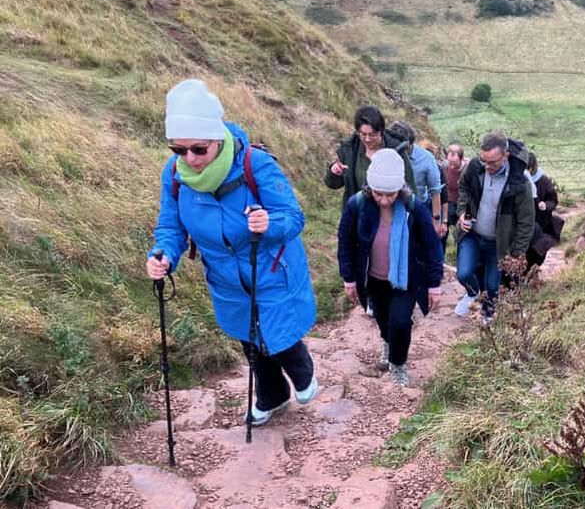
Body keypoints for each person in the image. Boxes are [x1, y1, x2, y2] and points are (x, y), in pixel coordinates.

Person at [146, 79, 318, 427]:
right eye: (178, 150)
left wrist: (268, 223)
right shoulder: (175, 176)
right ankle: (272, 396)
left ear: (218, 138)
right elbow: (171, 226)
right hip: (225, 278)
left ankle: (303, 374)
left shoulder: (255, 164)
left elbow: (293, 216)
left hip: (271, 269)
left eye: (198, 148)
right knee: (251, 342)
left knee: (280, 337)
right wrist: (163, 253)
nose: (189, 159)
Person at [337, 149, 443, 386]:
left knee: (401, 322)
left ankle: (397, 363)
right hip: (372, 279)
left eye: (390, 195)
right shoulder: (357, 206)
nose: (384, 200)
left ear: (400, 189)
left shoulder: (413, 208)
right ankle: (387, 342)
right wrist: (349, 278)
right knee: (384, 321)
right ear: (369, 188)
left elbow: (432, 246)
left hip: (405, 279)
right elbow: (345, 241)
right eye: (378, 194)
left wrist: (434, 284)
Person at [454, 132, 534, 324]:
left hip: (499, 243)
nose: (487, 167)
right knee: (463, 273)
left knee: (492, 285)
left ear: (505, 156)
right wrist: (463, 211)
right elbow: (463, 187)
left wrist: (516, 254)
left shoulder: (520, 183)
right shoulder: (475, 167)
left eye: (492, 162)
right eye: (484, 161)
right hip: (472, 234)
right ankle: (473, 293)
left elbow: (526, 221)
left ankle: (489, 315)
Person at [324, 105, 416, 209]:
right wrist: (334, 172)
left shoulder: (396, 150)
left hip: (390, 215)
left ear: (381, 131)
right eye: (363, 134)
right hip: (358, 217)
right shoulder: (349, 150)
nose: (367, 139)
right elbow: (333, 184)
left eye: (373, 135)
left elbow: (410, 186)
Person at [387, 122, 442, 236]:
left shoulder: (426, 158)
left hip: (417, 208)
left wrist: (436, 220)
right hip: (389, 209)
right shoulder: (387, 153)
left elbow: (435, 190)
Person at [526, 153, 563, 270]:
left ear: (532, 168)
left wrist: (546, 205)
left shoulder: (543, 180)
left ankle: (534, 273)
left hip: (541, 222)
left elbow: (553, 199)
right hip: (525, 223)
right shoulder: (519, 180)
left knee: (538, 252)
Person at [417, 138, 449, 252]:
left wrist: (444, 222)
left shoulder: (438, 169)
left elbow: (444, 197)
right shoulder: (414, 169)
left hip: (435, 211)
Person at [442, 142, 468, 258]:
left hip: (462, 205)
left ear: (461, 158)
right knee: (443, 232)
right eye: (450, 163)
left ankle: (460, 259)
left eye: (454, 164)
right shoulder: (444, 166)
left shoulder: (467, 170)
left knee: (461, 234)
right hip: (448, 203)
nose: (451, 166)